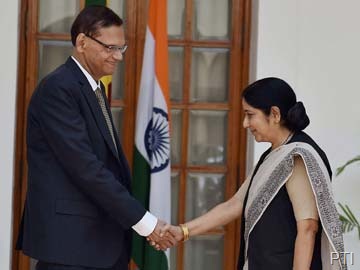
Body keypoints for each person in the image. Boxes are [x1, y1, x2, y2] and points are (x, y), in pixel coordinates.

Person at [16, 5, 174, 270]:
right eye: (109, 47)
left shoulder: (95, 88)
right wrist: (146, 223)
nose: (118, 57)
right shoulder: (59, 89)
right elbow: (86, 168)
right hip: (71, 249)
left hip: (98, 246)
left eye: (121, 48)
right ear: (81, 42)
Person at [158, 77, 346, 270]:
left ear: (274, 114)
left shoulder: (297, 157)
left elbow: (308, 229)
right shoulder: (274, 154)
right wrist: (183, 231)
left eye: (250, 115)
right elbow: (236, 204)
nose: (245, 124)